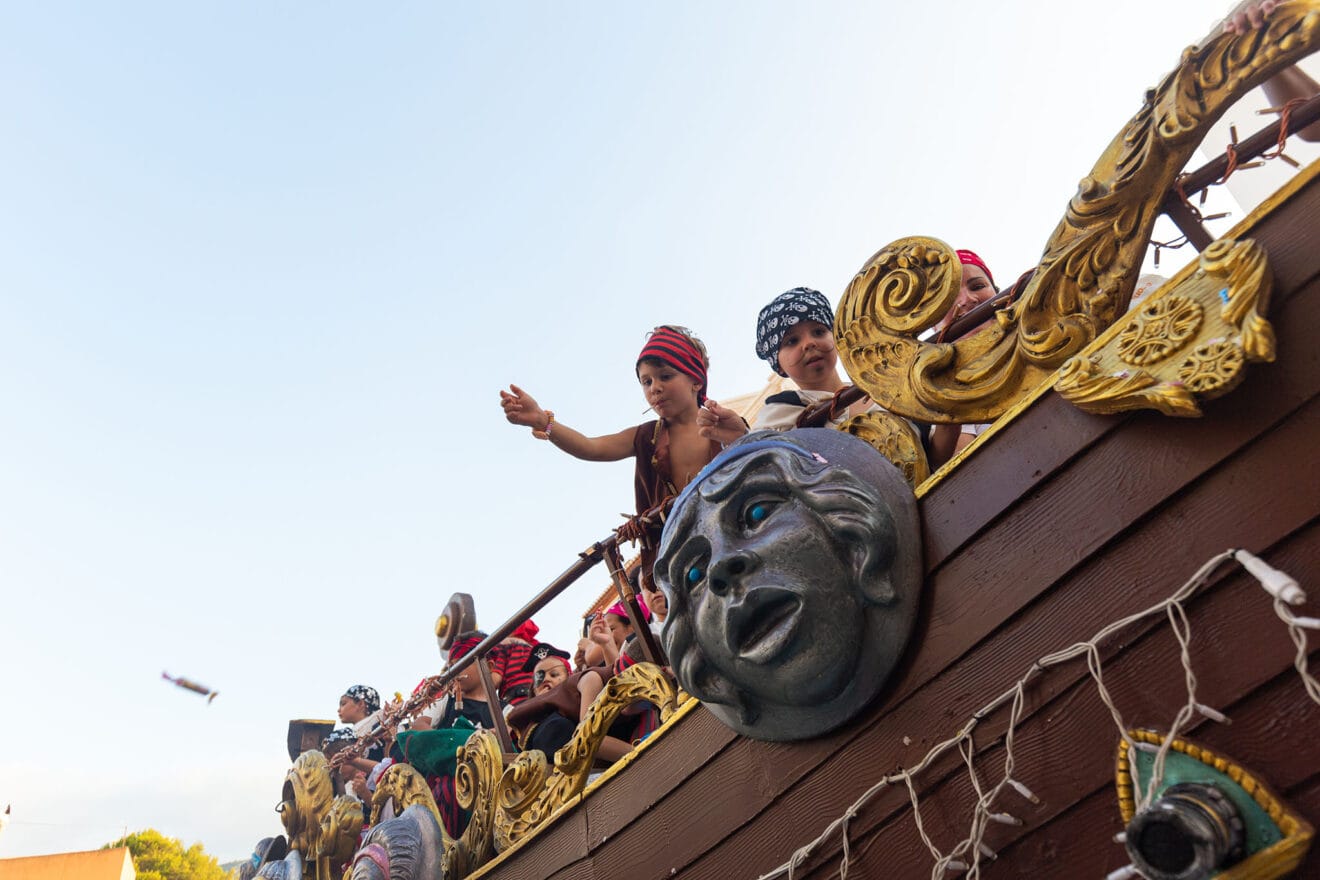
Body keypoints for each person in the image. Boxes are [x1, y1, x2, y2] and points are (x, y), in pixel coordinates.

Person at [500, 325, 723, 587]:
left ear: (696, 380)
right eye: (647, 381)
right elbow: (590, 447)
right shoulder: (644, 436)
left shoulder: (725, 426)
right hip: (679, 561)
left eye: (665, 376)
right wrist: (543, 421)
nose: (655, 388)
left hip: (727, 539)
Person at [696, 287, 962, 467]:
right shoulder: (780, 412)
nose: (809, 343)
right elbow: (772, 464)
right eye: (791, 341)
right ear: (777, 364)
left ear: (835, 336)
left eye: (818, 331)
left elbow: (933, 458)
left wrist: (950, 406)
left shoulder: (884, 387)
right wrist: (742, 436)